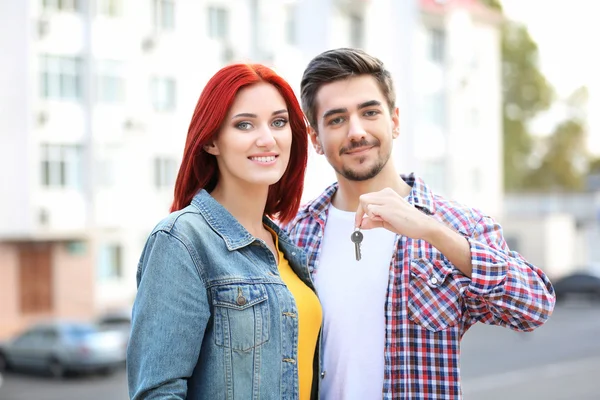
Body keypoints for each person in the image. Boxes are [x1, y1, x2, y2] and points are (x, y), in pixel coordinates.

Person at [282, 48, 556, 400]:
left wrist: (432, 230)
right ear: (316, 138)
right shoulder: (292, 234)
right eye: (336, 119)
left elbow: (535, 308)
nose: (356, 131)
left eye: (370, 112)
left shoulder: (459, 225)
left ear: (394, 121)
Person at [127, 63, 322, 400]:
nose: (267, 138)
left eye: (278, 122)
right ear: (211, 141)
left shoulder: (285, 245)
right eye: (244, 124)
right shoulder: (182, 241)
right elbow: (157, 392)